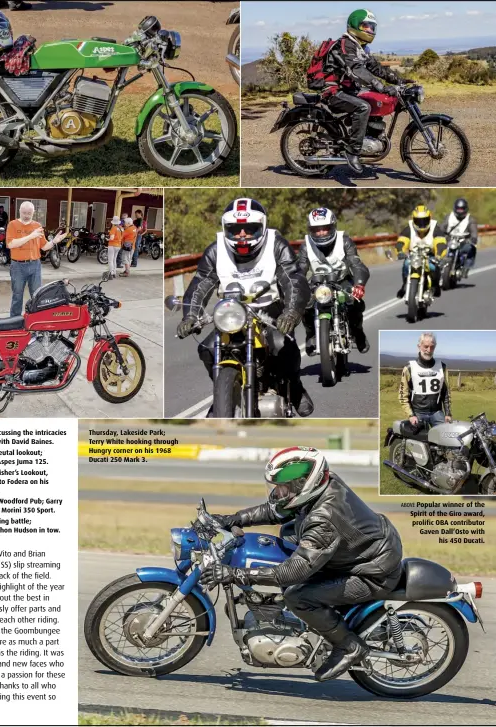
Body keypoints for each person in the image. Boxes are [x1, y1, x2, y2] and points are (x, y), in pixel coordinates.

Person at [201, 446, 403, 682]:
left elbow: (293, 571)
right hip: (362, 550)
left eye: (283, 487)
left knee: (299, 596)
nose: (277, 492)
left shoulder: (323, 518)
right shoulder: (321, 487)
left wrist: (236, 574)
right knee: (288, 532)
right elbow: (277, 510)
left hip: (371, 571)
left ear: (302, 485)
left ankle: (349, 646)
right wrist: (231, 520)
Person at [176, 198, 314, 417]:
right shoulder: (216, 250)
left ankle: (295, 388)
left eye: (249, 229)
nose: (242, 234)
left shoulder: (276, 244)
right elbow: (201, 282)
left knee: (282, 344)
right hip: (231, 313)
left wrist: (292, 311)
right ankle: (225, 394)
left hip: (270, 310)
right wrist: (190, 315)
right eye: (235, 229)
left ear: (261, 226)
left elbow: (293, 278)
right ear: (225, 228)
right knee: (207, 349)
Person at [318, 9, 407, 173]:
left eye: (372, 27)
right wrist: (381, 86)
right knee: (363, 107)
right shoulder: (345, 45)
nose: (370, 30)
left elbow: (375, 68)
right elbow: (356, 70)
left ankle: (368, 136)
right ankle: (352, 152)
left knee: (375, 100)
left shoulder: (360, 47)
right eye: (366, 26)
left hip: (348, 89)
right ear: (354, 25)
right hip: (332, 90)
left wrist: (398, 80)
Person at [297, 207, 370, 356]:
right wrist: (297, 288)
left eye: (325, 228)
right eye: (317, 229)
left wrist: (359, 284)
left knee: (355, 302)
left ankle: (358, 332)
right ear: (311, 230)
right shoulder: (306, 245)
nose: (321, 233)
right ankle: (311, 334)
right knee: (306, 304)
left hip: (342, 280)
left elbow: (356, 264)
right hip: (317, 284)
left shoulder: (344, 241)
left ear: (333, 227)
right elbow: (300, 270)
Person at [6, 201, 67, 317]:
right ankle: (14, 322)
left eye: (29, 213)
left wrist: (54, 241)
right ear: (19, 211)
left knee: (37, 295)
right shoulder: (12, 224)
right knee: (17, 295)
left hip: (35, 265)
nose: (26, 215)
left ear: (33, 212)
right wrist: (31, 236)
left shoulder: (37, 226)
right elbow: (11, 244)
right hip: (18, 266)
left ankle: (36, 320)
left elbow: (44, 247)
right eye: (24, 212)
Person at [399, 332, 452, 428]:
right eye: (426, 346)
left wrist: (448, 413)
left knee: (445, 439)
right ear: (419, 346)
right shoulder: (409, 368)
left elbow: (446, 392)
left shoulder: (442, 367)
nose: (429, 350)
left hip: (437, 412)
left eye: (432, 347)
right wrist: (411, 415)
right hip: (418, 413)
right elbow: (403, 395)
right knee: (421, 441)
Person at [395, 205, 447, 299]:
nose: (422, 224)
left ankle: (435, 286)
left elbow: (441, 243)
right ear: (414, 220)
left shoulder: (435, 228)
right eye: (419, 221)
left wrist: (439, 255)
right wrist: (400, 252)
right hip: (413, 256)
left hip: (430, 256)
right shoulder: (409, 229)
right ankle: (405, 285)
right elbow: (401, 242)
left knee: (434, 267)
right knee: (406, 264)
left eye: (424, 220)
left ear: (429, 219)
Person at [441, 198, 479, 276]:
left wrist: (472, 239)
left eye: (462, 209)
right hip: (449, 240)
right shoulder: (449, 217)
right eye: (458, 209)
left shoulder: (470, 220)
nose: (460, 211)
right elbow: (442, 228)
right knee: (437, 250)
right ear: (455, 208)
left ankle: (466, 267)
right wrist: (440, 235)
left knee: (471, 249)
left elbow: (474, 233)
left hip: (463, 242)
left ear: (465, 209)